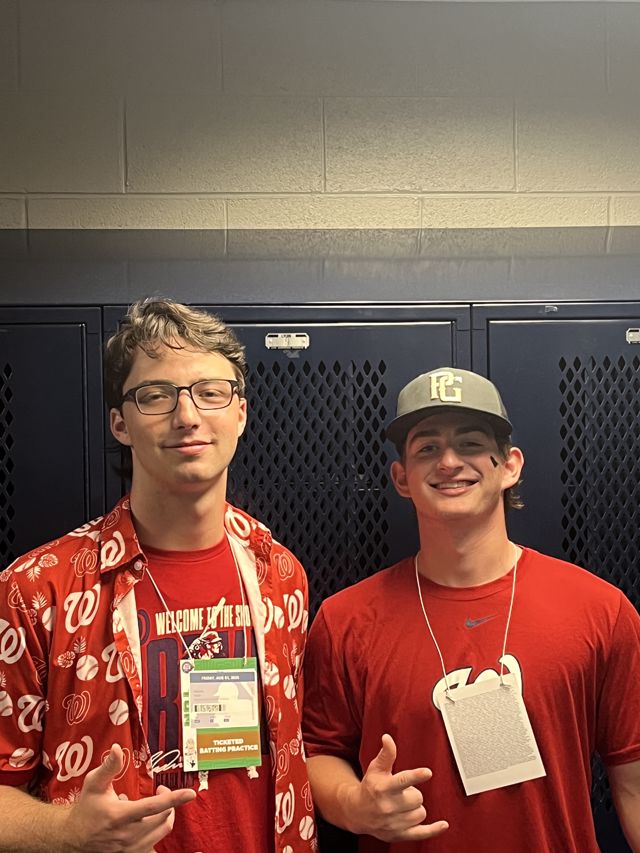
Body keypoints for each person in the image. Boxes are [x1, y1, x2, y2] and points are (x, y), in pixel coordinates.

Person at [0, 299, 316, 853]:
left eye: (211, 392)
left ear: (240, 413)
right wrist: (66, 833)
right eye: (156, 395)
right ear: (120, 423)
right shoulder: (37, 589)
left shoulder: (280, 573)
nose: (187, 416)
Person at [303, 366, 640, 853]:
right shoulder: (346, 619)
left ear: (510, 466)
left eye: (470, 444)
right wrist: (353, 805)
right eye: (427, 448)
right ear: (401, 477)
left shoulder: (600, 610)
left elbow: (632, 781)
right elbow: (316, 751)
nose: (448, 462)